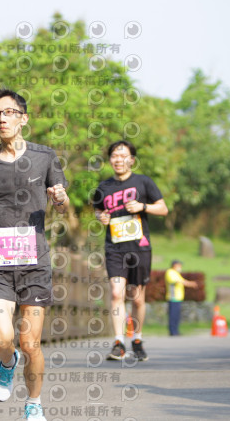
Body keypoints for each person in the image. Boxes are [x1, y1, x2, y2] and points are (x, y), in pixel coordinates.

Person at [0, 89, 69, 421]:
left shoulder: (45, 156)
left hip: (35, 264)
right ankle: (7, 363)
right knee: (1, 337)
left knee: (30, 342)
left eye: (9, 112)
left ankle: (34, 403)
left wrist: (60, 197)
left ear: (24, 118)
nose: (2, 119)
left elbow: (63, 205)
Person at [92, 140, 168, 361]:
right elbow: (98, 210)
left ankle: (137, 339)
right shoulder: (103, 187)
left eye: (123, 156)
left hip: (139, 247)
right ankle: (118, 342)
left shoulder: (143, 182)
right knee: (117, 293)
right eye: (115, 156)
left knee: (136, 298)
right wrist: (101, 217)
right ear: (110, 160)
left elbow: (163, 208)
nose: (118, 160)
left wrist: (143, 206)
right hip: (114, 247)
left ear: (132, 160)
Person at [165, 260, 198, 336]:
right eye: (179, 265)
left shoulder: (176, 273)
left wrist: (190, 283)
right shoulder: (170, 272)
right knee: (173, 315)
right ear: (175, 265)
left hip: (178, 298)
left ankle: (176, 331)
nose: (180, 267)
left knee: (176, 316)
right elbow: (178, 281)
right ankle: (173, 331)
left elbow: (182, 281)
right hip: (173, 297)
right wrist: (190, 283)